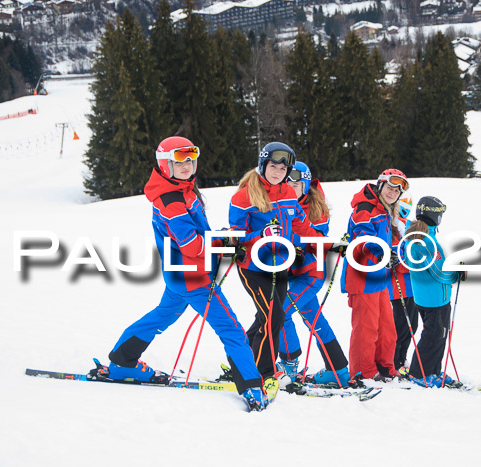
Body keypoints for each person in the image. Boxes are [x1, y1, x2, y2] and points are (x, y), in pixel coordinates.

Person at [106, 136, 269, 411]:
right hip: (193, 277)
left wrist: (222, 239)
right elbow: (192, 245)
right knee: (231, 329)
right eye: (179, 161)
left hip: (180, 275)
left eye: (191, 160)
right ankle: (252, 387)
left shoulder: (183, 190)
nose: (187, 165)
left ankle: (123, 363)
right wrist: (224, 245)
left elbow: (198, 237)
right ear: (165, 164)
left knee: (162, 316)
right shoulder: (171, 201)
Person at [229, 143, 324, 391]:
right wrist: (261, 233)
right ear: (263, 165)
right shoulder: (243, 196)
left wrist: (324, 243)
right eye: (273, 166)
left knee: (269, 316)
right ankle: (264, 373)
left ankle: (240, 362)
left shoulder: (288, 193)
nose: (278, 172)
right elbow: (235, 237)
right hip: (253, 266)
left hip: (280, 265)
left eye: (283, 168)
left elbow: (301, 226)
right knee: (273, 316)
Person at [277, 161, 350, 387]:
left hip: (310, 275)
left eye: (296, 184)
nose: (291, 187)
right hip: (292, 274)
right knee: (315, 321)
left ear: (306, 185)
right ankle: (338, 370)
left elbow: (314, 239)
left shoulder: (317, 210)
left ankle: (289, 364)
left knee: (280, 313)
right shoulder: (281, 203)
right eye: (287, 182)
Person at [341, 169, 409, 381]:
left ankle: (385, 366)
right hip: (362, 276)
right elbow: (364, 239)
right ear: (380, 185)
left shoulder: (384, 210)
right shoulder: (365, 208)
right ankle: (362, 372)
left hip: (379, 277)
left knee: (387, 327)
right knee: (366, 328)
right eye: (389, 187)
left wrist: (396, 253)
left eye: (397, 191)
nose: (392, 193)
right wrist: (382, 254)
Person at [402, 196, 466, 388]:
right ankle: (420, 373)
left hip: (427, 296)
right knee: (434, 335)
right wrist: (456, 274)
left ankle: (433, 370)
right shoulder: (426, 240)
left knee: (438, 334)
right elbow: (438, 271)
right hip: (435, 299)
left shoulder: (415, 235)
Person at [390, 192, 418, 370]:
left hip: (412, 285)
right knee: (401, 326)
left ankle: (401, 359)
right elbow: (397, 259)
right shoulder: (392, 226)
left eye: (407, 210)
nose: (404, 214)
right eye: (402, 209)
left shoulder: (407, 226)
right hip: (398, 286)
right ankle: (394, 361)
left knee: (412, 326)